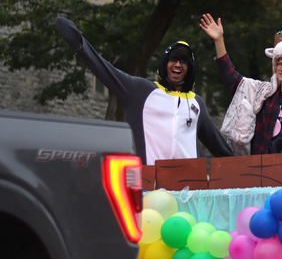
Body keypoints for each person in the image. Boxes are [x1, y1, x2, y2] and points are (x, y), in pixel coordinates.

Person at [56, 17, 233, 165]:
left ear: (190, 68)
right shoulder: (141, 91)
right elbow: (104, 70)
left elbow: (220, 148)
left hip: (189, 193)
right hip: (149, 191)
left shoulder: (196, 103)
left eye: (184, 61)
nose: (178, 64)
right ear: (165, 63)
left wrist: (253, 168)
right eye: (173, 59)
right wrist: (80, 44)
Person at [199, 13, 282, 155]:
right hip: (259, 166)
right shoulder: (262, 93)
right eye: (279, 64)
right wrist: (219, 40)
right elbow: (231, 77)